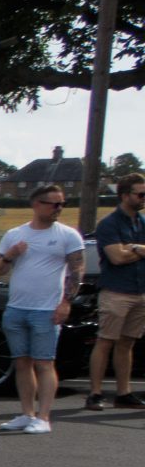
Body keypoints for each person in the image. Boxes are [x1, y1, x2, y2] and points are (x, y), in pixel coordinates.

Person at [0, 182, 84, 433]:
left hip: (47, 309)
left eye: (62, 204)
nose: (59, 208)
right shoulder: (15, 234)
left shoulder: (67, 235)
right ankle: (26, 413)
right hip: (16, 307)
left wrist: (66, 302)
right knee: (21, 362)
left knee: (44, 363)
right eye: (54, 203)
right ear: (36, 204)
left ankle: (43, 417)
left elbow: (77, 270)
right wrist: (11, 254)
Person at [85, 171, 145, 409]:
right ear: (124, 195)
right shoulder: (109, 224)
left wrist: (136, 247)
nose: (143, 198)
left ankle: (123, 392)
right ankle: (96, 393)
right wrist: (139, 251)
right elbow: (116, 257)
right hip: (116, 291)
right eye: (140, 194)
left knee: (127, 343)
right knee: (106, 341)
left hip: (140, 291)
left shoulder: (141, 222)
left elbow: (126, 253)